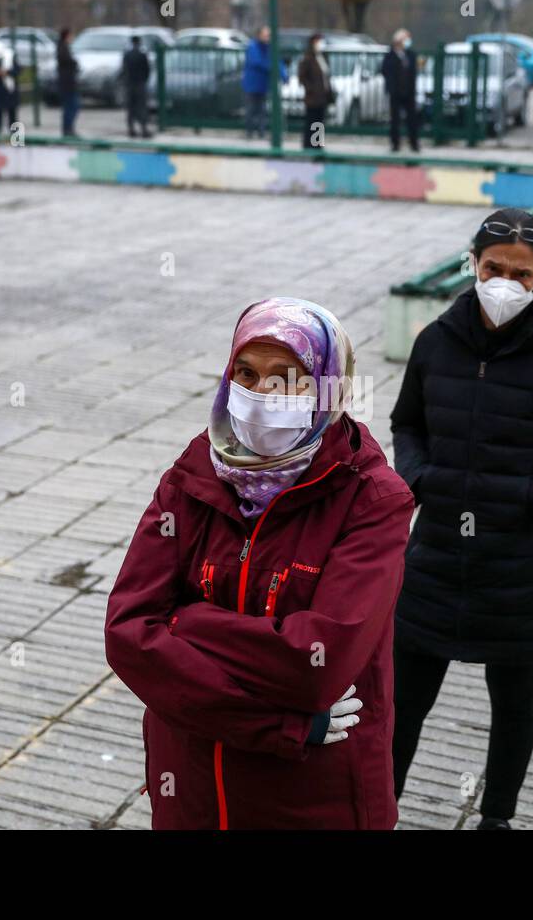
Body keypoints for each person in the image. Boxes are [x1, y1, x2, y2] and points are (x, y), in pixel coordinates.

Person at [104, 298, 415, 830]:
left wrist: (185, 621)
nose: (259, 394)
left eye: (286, 377)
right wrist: (277, 723)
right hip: (193, 790)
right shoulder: (194, 474)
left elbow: (317, 664)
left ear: (328, 387)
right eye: (246, 373)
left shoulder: (371, 499)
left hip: (312, 800)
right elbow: (128, 634)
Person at [389, 209, 533, 828]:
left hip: (524, 567)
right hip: (435, 557)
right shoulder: (435, 340)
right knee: (401, 703)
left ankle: (497, 819)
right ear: (473, 264)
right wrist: (419, 479)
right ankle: (376, 810)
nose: (505, 284)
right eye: (493, 268)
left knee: (513, 706)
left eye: (521, 274)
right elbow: (406, 423)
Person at [242, 26, 285, 139]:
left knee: (262, 110)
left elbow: (277, 62)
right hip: (252, 84)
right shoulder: (253, 47)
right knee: (251, 109)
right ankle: (249, 132)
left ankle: (261, 132)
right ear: (259, 35)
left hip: (263, 84)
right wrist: (273, 68)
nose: (268, 37)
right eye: (266, 35)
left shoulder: (269, 48)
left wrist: (284, 75)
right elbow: (257, 62)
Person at [380, 28, 420, 153]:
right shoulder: (390, 55)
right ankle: (395, 144)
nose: (408, 41)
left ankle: (414, 143)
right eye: (405, 39)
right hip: (395, 92)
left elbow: (414, 72)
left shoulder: (411, 55)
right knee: (395, 120)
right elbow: (385, 71)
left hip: (409, 92)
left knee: (412, 119)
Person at [297, 33, 333, 151]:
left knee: (319, 122)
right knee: (311, 121)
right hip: (313, 97)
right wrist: (311, 88)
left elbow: (326, 75)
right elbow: (302, 76)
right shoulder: (308, 58)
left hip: (322, 96)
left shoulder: (322, 57)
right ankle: (309, 145)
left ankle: (317, 144)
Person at [121, 34, 150, 139]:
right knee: (141, 107)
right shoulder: (142, 55)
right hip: (140, 84)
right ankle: (144, 130)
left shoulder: (127, 55)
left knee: (130, 108)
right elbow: (147, 70)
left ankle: (131, 129)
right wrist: (143, 80)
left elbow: (124, 70)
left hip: (130, 84)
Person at [57, 28, 81, 137]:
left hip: (69, 83)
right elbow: (67, 62)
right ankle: (67, 129)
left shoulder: (65, 48)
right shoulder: (62, 48)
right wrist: (74, 64)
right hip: (67, 84)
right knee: (71, 106)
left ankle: (69, 129)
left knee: (72, 106)